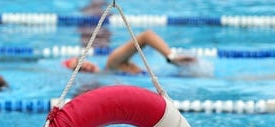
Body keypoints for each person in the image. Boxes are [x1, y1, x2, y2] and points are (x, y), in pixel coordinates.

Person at [63, 29, 196, 74]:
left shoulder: (112, 63)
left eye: (81, 62)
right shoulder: (110, 72)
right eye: (79, 69)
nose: (85, 66)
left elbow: (146, 36)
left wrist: (171, 57)